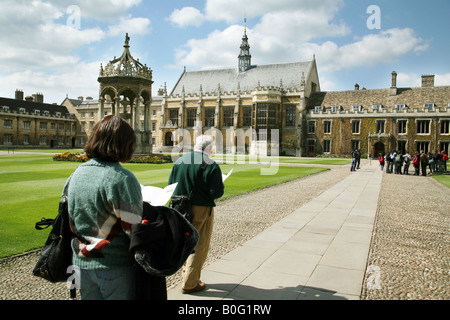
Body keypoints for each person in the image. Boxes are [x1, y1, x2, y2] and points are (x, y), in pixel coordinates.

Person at [65, 115, 144, 300]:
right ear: (125, 144)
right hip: (113, 265)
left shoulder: (76, 173)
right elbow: (133, 230)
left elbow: (70, 216)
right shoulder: (121, 178)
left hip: (81, 262)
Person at [168, 135, 224, 294]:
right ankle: (190, 283)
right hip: (200, 209)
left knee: (184, 240)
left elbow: (170, 185)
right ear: (209, 148)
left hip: (179, 207)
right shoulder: (211, 164)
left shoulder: (180, 161)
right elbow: (216, 192)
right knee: (199, 244)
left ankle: (187, 275)